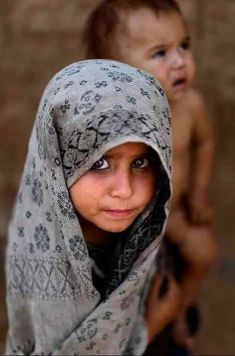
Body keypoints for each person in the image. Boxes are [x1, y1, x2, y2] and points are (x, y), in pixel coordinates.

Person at [5, 59, 180, 355]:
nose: (124, 190)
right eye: (99, 163)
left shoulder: (146, 225)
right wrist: (150, 325)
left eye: (141, 163)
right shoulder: (48, 267)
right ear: (57, 160)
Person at [85, 0, 219, 351]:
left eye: (184, 45)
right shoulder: (118, 120)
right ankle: (142, 327)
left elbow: (204, 142)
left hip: (174, 213)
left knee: (203, 254)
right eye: (160, 53)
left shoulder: (191, 106)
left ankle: (179, 312)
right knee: (135, 281)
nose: (180, 61)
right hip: (138, 221)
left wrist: (199, 190)